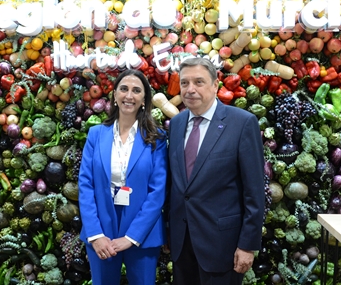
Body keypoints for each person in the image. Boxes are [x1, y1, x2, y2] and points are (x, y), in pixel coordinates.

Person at [167, 57, 265, 285]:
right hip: (182, 243)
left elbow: (255, 191)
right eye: (184, 83)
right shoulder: (177, 123)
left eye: (199, 82)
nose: (190, 89)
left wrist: (247, 245)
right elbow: (177, 184)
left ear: (215, 85)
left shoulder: (242, 123)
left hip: (223, 246)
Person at [78, 69, 168, 285]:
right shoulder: (96, 134)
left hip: (143, 234)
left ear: (144, 99)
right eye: (124, 89)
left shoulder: (157, 138)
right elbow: (85, 185)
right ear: (115, 96)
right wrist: (95, 234)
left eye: (137, 90)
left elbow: (158, 192)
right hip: (101, 230)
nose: (129, 95)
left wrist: (132, 237)